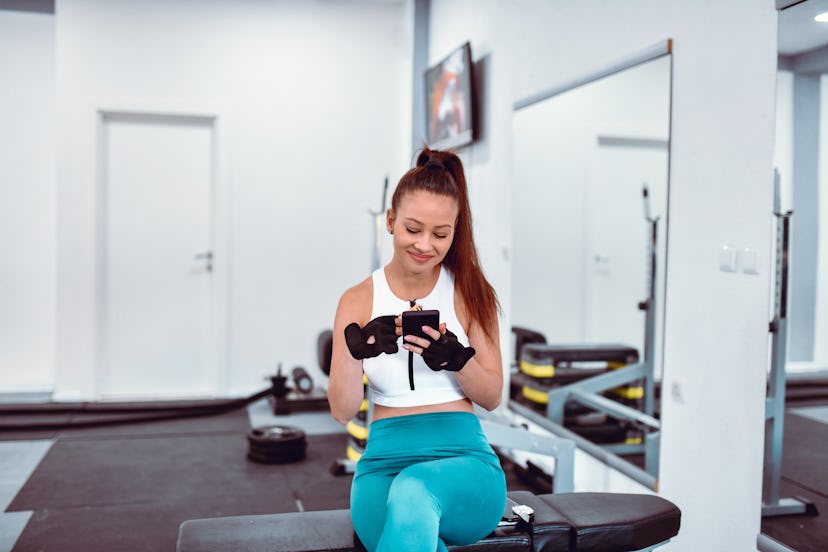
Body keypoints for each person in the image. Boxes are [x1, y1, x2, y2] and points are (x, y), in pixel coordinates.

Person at [328, 147, 506, 552]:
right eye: (413, 229)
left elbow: (493, 397)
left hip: (466, 466)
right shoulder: (356, 301)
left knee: (414, 489)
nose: (425, 245)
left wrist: (459, 360)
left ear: (454, 232)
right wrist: (355, 352)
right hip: (381, 468)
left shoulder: (470, 292)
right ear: (390, 222)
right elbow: (341, 411)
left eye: (441, 234)